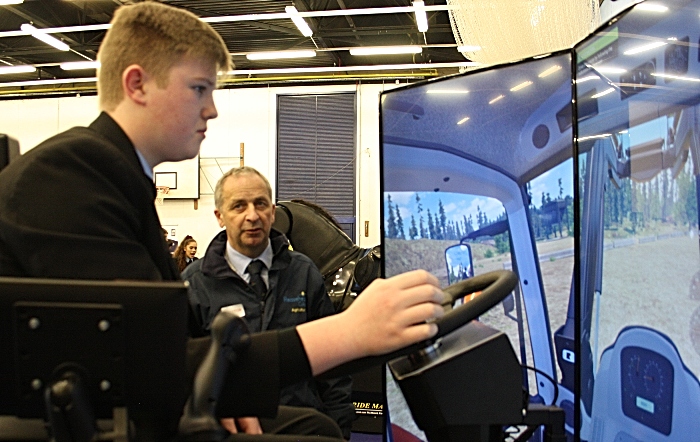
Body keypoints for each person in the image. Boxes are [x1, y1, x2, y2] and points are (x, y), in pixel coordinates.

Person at [0, 2, 445, 441]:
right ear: (137, 84)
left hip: (150, 409)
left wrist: (222, 398)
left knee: (316, 427)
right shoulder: (74, 174)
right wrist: (348, 333)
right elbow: (136, 365)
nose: (211, 109)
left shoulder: (114, 174)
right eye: (198, 89)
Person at [183, 167, 354, 439]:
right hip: (232, 431)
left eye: (260, 204)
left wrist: (339, 429)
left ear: (272, 213)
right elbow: (183, 373)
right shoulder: (195, 284)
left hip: (302, 426)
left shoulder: (303, 272)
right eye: (238, 206)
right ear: (220, 217)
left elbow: (332, 361)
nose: (252, 216)